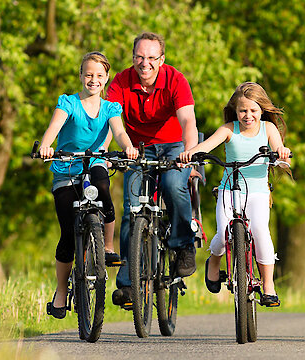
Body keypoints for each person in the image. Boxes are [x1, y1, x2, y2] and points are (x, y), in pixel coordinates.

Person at [39, 51, 139, 319]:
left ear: (106, 78)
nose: (93, 79)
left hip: (95, 161)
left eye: (99, 75)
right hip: (66, 167)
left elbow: (118, 131)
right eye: (88, 74)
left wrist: (128, 146)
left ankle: (106, 246)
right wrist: (47, 145)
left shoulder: (110, 107)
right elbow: (55, 127)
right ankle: (61, 292)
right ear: (81, 76)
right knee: (68, 236)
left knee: (104, 189)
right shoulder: (68, 103)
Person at [106, 32, 199, 307]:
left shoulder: (176, 79)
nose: (144, 63)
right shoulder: (122, 81)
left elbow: (188, 120)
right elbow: (113, 121)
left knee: (172, 185)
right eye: (139, 57)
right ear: (133, 57)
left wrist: (189, 153)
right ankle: (128, 285)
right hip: (137, 147)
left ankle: (183, 244)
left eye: (150, 57)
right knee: (131, 210)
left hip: (174, 145)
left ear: (162, 59)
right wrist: (115, 149)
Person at [179, 82, 291, 307]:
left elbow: (279, 148)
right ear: (236, 110)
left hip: (258, 191)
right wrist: (190, 154)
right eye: (243, 111)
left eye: (253, 110)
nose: (248, 115)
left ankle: (268, 285)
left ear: (262, 110)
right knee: (222, 233)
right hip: (229, 190)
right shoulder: (229, 129)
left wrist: (282, 153)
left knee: (260, 231)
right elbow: (207, 146)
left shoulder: (268, 129)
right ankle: (214, 263)